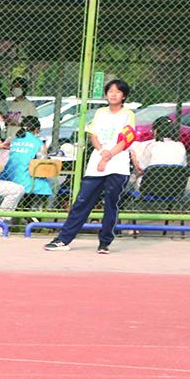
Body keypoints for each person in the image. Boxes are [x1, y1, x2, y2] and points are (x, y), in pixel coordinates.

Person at [46, 80, 136, 253]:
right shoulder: (100, 113)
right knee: (82, 201)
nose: (113, 94)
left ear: (123, 95)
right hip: (97, 164)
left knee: (111, 204)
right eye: (110, 91)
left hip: (117, 164)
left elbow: (127, 139)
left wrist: (109, 154)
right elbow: (93, 135)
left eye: (117, 92)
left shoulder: (128, 114)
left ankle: (105, 242)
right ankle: (63, 240)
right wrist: (102, 151)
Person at [0, 115, 51, 222]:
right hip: (27, 181)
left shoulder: (13, 140)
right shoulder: (38, 143)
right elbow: (42, 163)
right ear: (36, 129)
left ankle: (22, 209)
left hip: (9, 177)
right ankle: (31, 215)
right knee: (46, 183)